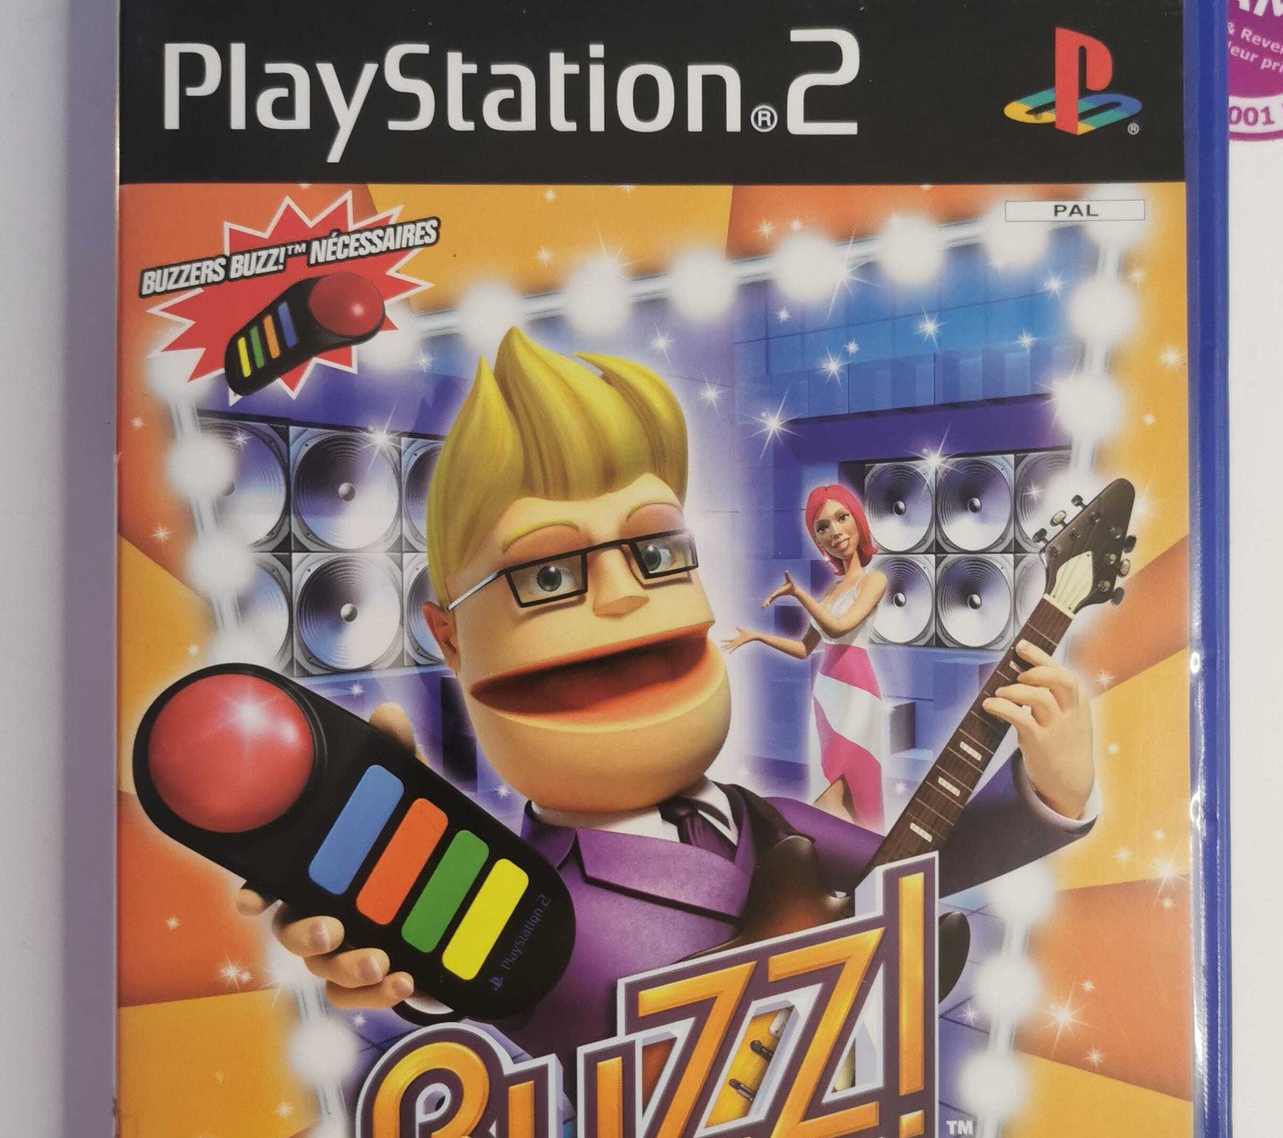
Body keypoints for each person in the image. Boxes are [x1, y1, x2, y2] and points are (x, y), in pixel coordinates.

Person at [240, 329, 1098, 1073]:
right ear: (451, 636)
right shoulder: (538, 900)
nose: (622, 595)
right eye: (550, 573)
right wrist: (414, 927)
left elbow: (912, 868)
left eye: (654, 552)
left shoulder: (759, 819)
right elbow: (526, 980)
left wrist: (1050, 790)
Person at [722, 483, 888, 828]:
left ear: (858, 520)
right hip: (826, 694)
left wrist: (799, 594)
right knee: (835, 787)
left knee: (840, 791)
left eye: (841, 518)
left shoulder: (874, 581)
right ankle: (858, 856)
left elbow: (839, 629)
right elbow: (803, 649)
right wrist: (757, 636)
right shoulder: (831, 590)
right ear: (818, 540)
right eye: (822, 527)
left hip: (859, 693)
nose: (834, 532)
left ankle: (857, 848)